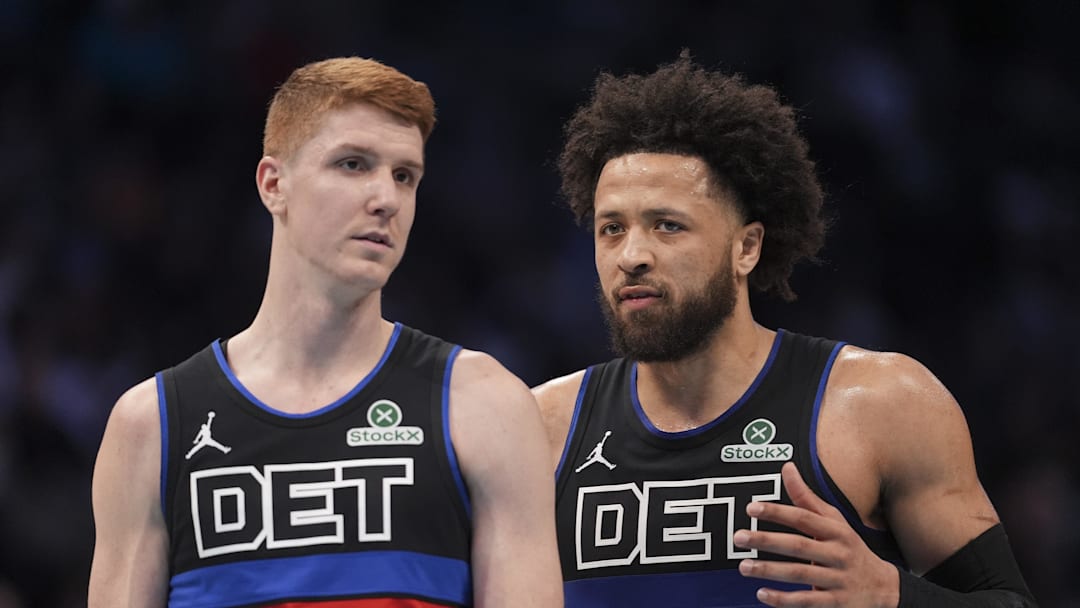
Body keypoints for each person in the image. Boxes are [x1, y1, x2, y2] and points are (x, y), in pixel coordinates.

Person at [533, 53, 1036, 607]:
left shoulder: (879, 404)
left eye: (667, 225)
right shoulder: (539, 428)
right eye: (611, 229)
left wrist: (892, 594)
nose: (631, 256)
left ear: (746, 247)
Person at [89, 57, 562, 608]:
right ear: (274, 184)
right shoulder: (150, 427)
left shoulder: (484, 405)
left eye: (405, 176)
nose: (386, 199)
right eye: (353, 164)